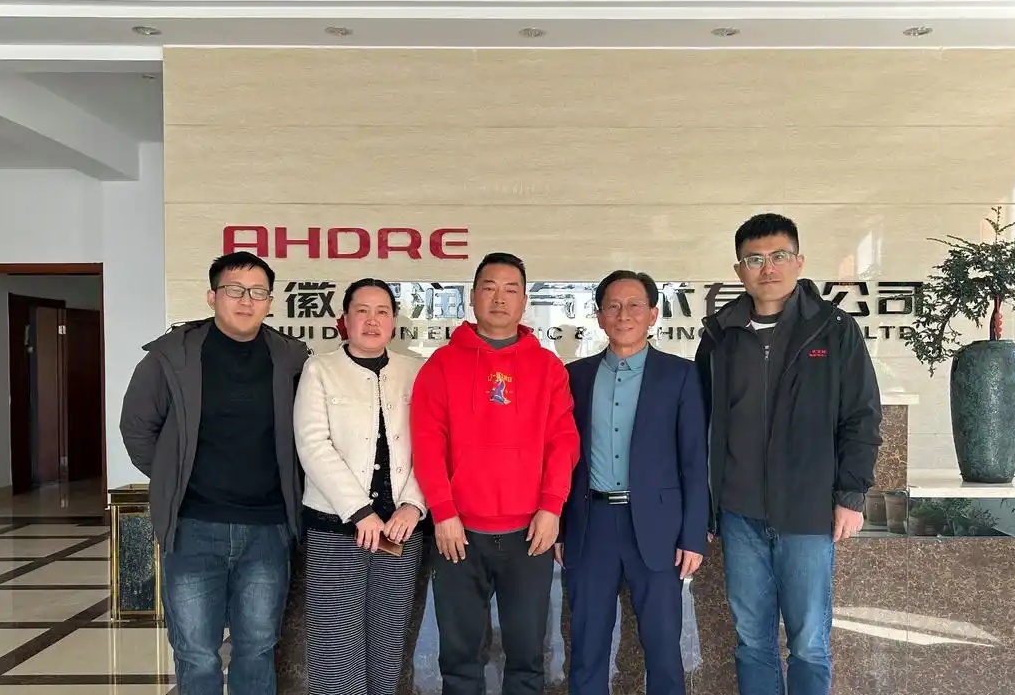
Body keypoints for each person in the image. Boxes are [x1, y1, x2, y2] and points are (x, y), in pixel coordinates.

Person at [695, 213, 882, 695]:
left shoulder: (833, 329)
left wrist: (851, 494)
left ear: (799, 261)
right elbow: (702, 422)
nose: (768, 268)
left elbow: (861, 416)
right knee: (751, 640)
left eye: (779, 256)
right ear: (739, 270)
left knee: (809, 642)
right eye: (754, 259)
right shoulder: (720, 335)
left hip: (807, 510)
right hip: (739, 514)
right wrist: (705, 507)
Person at [120, 251, 311, 695]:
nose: (246, 300)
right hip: (193, 526)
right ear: (212, 296)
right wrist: (174, 479)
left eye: (258, 292)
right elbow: (137, 429)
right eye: (234, 290)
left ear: (270, 302)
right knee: (196, 652)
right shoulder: (172, 357)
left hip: (267, 530)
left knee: (258, 648)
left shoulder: (291, 358)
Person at [410, 251, 581, 695]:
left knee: (526, 658)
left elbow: (563, 441)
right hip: (458, 534)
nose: (499, 298)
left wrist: (551, 507)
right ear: (472, 297)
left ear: (524, 301)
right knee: (460, 659)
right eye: (489, 288)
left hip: (529, 534)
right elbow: (427, 443)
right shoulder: (441, 365)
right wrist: (443, 511)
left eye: (510, 289)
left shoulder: (547, 367)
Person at [558, 270, 708, 695]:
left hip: (659, 528)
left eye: (634, 305)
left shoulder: (680, 375)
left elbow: (695, 460)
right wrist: (561, 526)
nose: (624, 315)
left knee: (663, 649)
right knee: (586, 648)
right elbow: (563, 458)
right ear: (600, 316)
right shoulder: (575, 376)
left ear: (653, 314)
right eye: (613, 306)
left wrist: (693, 535)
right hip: (591, 524)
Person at [293, 278, 428, 695]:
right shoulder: (320, 369)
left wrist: (414, 504)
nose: (372, 320)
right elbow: (313, 444)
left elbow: (433, 443)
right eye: (362, 311)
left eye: (382, 312)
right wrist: (359, 510)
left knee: (389, 640)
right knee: (335, 642)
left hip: (400, 529)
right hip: (337, 527)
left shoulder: (415, 371)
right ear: (344, 320)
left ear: (394, 322)